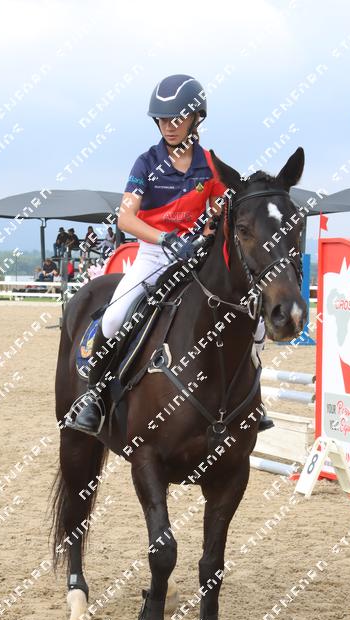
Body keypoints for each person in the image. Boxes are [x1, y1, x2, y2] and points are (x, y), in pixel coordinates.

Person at [71, 73, 270, 435]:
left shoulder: (210, 165)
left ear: (196, 118)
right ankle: (95, 398)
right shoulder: (146, 163)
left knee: (254, 323)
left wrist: (211, 226)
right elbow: (125, 218)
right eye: (162, 119)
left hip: (197, 258)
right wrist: (165, 239)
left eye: (177, 118)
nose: (169, 126)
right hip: (153, 255)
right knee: (113, 318)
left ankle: (254, 397)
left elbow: (220, 212)